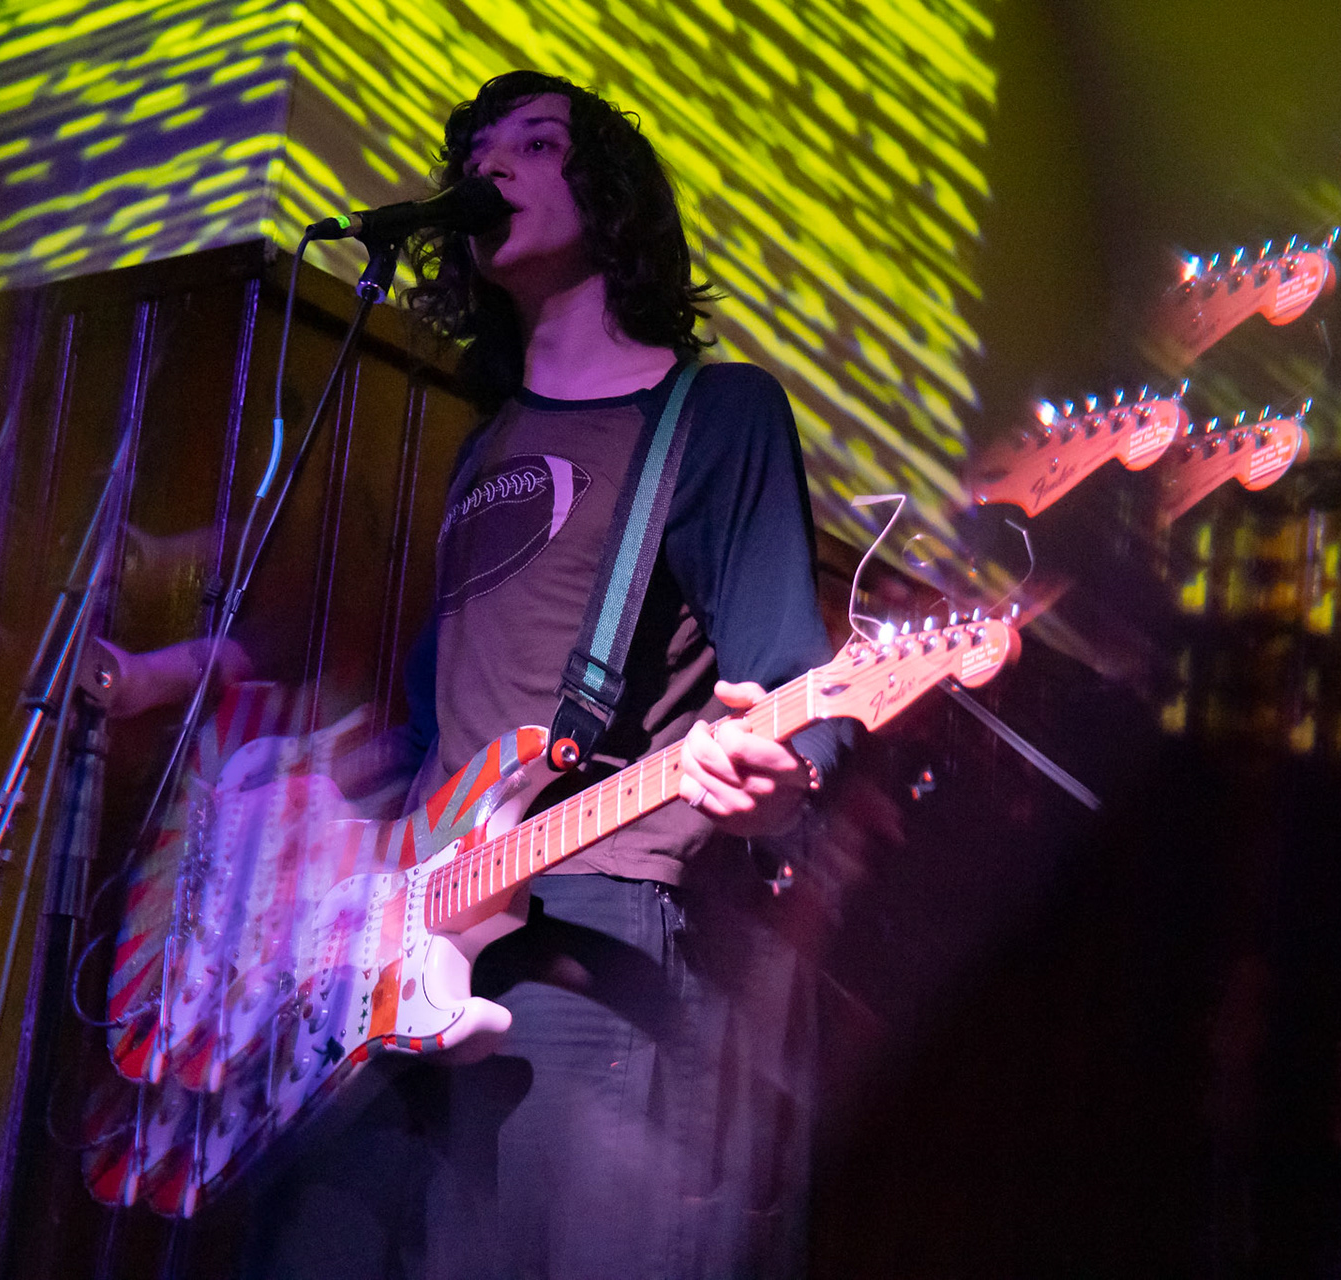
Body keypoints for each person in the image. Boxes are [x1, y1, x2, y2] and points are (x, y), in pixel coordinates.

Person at [245, 70, 849, 1280]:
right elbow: (441, 716)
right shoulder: (488, 445)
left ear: (610, 197)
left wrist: (775, 777)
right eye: (477, 150)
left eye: (536, 143)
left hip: (588, 925)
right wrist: (293, 785)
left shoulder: (714, 414)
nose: (492, 165)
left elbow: (796, 685)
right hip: (406, 930)